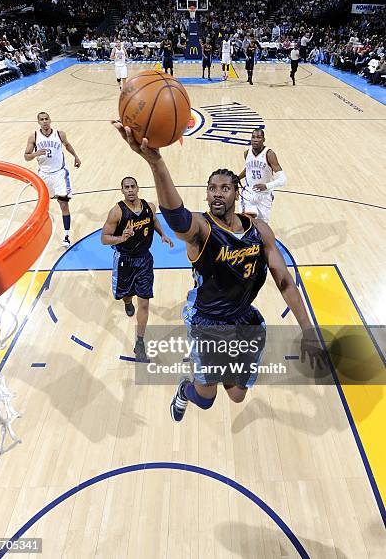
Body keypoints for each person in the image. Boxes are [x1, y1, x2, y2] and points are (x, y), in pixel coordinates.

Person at [113, 123, 322, 423]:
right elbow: (176, 216)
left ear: (236, 193)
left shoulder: (260, 231)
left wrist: (308, 330)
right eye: (212, 189)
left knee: (237, 396)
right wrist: (156, 162)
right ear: (206, 195)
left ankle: (220, 370)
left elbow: (285, 282)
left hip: (243, 319)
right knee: (207, 400)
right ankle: (186, 389)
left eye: (225, 188)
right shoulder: (201, 229)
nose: (217, 194)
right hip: (207, 322)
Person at [101, 176, 174, 360]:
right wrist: (121, 239)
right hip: (125, 260)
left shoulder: (149, 206)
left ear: (138, 187)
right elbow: (104, 238)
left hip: (144, 259)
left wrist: (162, 234)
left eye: (133, 186)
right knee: (127, 295)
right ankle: (127, 302)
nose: (130, 190)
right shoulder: (117, 212)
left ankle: (139, 342)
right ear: (122, 190)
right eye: (126, 187)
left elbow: (154, 220)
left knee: (144, 302)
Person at [24, 112, 81, 247]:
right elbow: (26, 156)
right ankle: (41, 232)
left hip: (59, 173)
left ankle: (66, 235)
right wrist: (36, 153)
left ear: (50, 120)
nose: (44, 121)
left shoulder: (59, 134)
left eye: (46, 119)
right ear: (38, 122)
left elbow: (67, 145)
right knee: (44, 205)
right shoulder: (34, 136)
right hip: (44, 175)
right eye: (42, 119)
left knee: (63, 204)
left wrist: (76, 156)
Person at [237, 129, 287, 223]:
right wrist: (238, 177)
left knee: (263, 226)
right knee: (246, 222)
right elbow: (249, 168)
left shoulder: (269, 154)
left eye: (259, 137)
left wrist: (266, 186)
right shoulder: (247, 153)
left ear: (264, 139)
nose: (255, 140)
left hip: (265, 195)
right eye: (253, 137)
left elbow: (283, 179)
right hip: (249, 193)